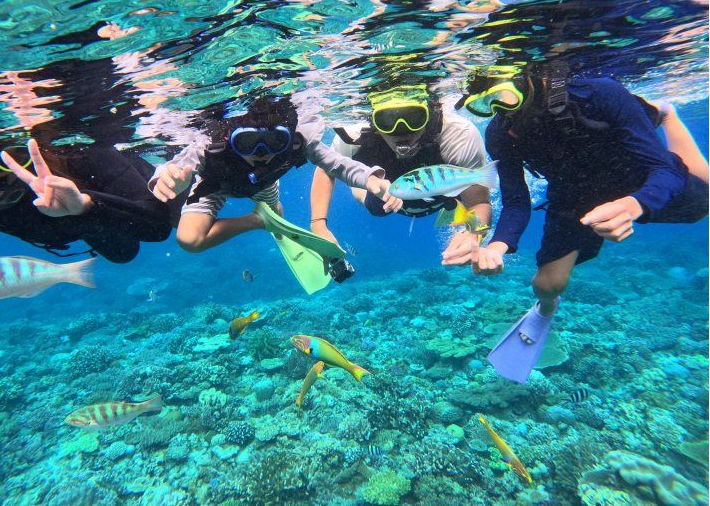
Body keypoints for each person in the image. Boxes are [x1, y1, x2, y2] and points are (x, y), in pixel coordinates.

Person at [464, 65, 709, 383]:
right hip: (573, 196)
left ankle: (666, 114)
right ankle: (545, 311)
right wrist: (496, 246)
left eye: (503, 97)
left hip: (635, 175)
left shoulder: (598, 93)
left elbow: (661, 168)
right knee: (546, 285)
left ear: (529, 80)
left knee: (702, 205)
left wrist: (635, 204)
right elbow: (515, 201)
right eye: (485, 105)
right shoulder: (499, 134)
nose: (500, 112)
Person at [149, 95, 398, 258]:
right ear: (230, 137)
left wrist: (371, 179)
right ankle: (259, 220)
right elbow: (178, 165)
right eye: (248, 142)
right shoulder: (210, 143)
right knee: (189, 240)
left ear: (286, 138)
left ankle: (273, 220)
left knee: (276, 214)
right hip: (215, 185)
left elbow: (338, 164)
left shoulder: (299, 141)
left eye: (275, 142)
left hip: (265, 184)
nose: (262, 153)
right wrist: (171, 178)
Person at [309, 84, 493, 265]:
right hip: (381, 196)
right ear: (373, 120)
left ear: (428, 115)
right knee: (377, 208)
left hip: (443, 195)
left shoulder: (457, 135)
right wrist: (318, 225)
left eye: (414, 118)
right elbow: (326, 168)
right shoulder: (353, 136)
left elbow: (479, 202)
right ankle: (367, 186)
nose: (402, 131)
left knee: (456, 202)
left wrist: (474, 234)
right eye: (387, 120)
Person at [0, 139, 172, 263]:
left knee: (168, 223)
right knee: (123, 253)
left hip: (126, 194)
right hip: (83, 225)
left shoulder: (77, 150)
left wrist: (87, 205)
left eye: (6, 153)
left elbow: (157, 225)